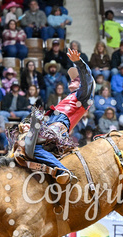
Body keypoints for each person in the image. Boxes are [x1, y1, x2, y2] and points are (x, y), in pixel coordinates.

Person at [21, 48, 94, 184]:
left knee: (33, 146)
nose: (73, 80)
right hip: (52, 124)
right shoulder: (70, 97)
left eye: (77, 79)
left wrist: (79, 62)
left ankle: (62, 170)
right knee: (25, 143)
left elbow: (88, 80)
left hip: (59, 126)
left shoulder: (82, 96)